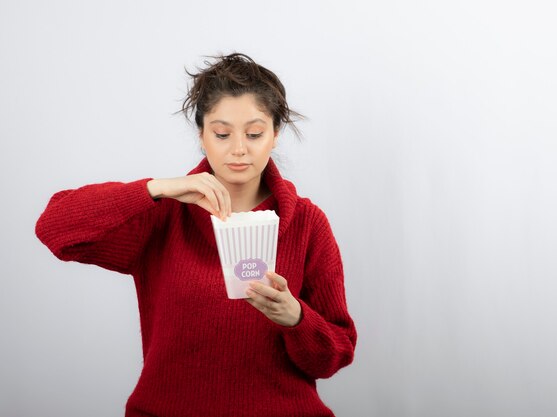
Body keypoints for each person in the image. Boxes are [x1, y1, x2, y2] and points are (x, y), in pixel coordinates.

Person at [35, 53, 357, 417]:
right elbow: (54, 228)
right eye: (222, 133)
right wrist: (157, 188)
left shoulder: (307, 223)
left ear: (275, 135)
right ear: (202, 135)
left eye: (254, 133)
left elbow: (336, 354)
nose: (238, 148)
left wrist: (296, 317)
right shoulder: (164, 216)